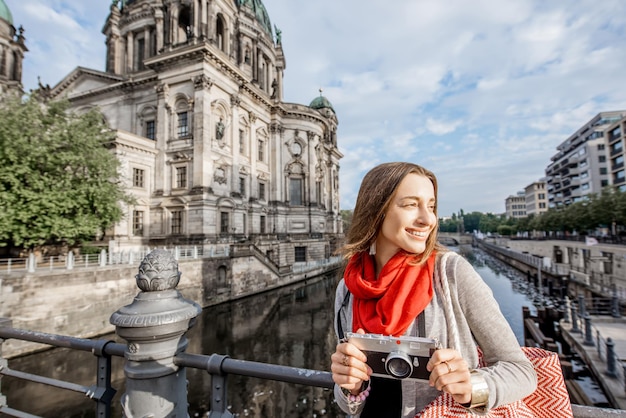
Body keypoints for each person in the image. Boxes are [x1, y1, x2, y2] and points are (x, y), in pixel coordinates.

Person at [330, 162, 537, 417]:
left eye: (430, 206)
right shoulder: (347, 289)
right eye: (410, 204)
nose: (428, 219)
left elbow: (520, 370)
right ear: (376, 211)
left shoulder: (451, 273)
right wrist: (350, 387)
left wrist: (473, 385)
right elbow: (349, 401)